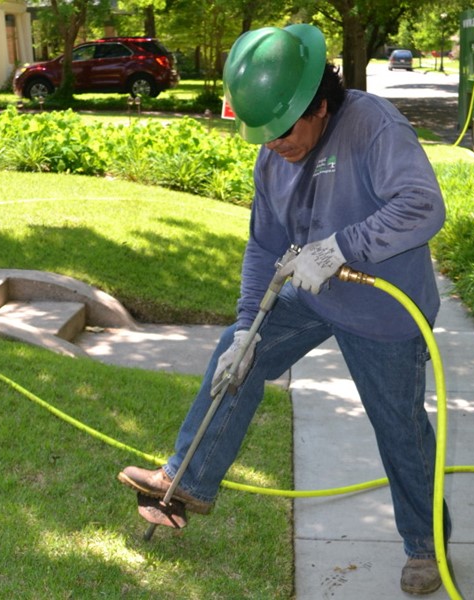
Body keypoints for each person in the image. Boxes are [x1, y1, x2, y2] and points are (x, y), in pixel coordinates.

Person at [118, 23, 451, 595]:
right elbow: (265, 246)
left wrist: (343, 247)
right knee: (236, 355)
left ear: (320, 105)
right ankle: (184, 483)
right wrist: (248, 326)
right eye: (264, 135)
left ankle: (426, 546)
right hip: (312, 292)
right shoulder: (273, 154)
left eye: (283, 131)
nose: (275, 145)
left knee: (399, 429)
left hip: (383, 309)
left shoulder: (372, 125)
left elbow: (423, 206)